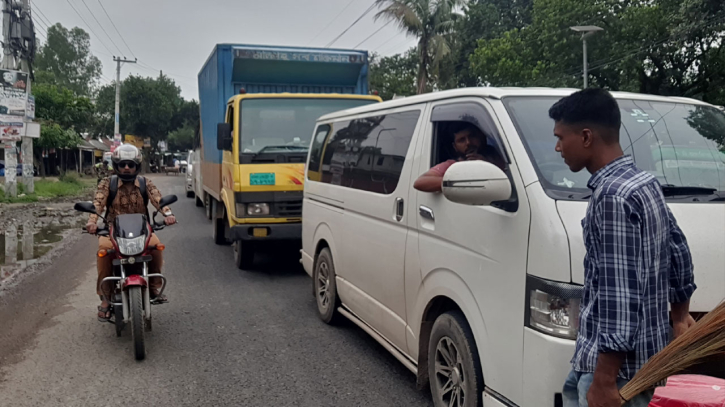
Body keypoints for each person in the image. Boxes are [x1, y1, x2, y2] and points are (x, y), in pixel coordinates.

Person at [549, 88, 697, 407]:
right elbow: (678, 250)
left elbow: (619, 293)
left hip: (619, 374)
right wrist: (680, 316)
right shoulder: (644, 183)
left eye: (561, 137)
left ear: (586, 137)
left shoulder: (612, 197)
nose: (558, 147)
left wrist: (604, 380)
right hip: (642, 361)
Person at [86, 144, 176, 322]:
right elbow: (98, 203)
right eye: (123, 164)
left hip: (141, 230)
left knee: (156, 247)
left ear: (137, 166)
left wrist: (168, 214)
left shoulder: (145, 183)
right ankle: (105, 297)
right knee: (104, 252)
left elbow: (157, 198)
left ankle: (153, 287)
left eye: (130, 164)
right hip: (112, 230)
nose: (126, 168)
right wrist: (92, 221)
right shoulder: (107, 183)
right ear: (117, 165)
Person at [413, 123, 506, 192]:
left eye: (472, 136)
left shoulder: (500, 156)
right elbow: (420, 182)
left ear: (482, 137)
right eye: (462, 140)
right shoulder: (452, 165)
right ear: (455, 147)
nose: (468, 143)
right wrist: (460, 183)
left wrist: (486, 164)